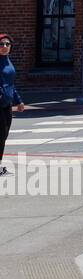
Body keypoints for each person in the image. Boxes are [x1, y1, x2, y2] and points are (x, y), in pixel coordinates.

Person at [0, 33, 27, 178]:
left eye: (7, 44)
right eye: (1, 44)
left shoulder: (8, 62)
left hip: (7, 104)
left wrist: (19, 101)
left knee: (3, 135)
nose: (4, 47)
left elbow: (11, 85)